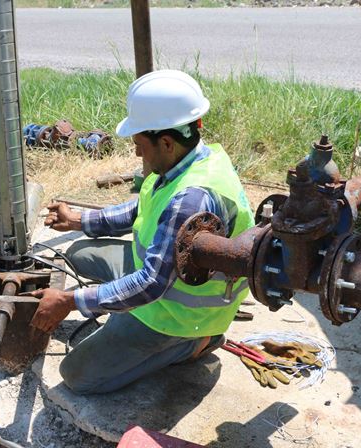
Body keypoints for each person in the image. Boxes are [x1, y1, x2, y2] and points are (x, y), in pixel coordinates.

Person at [29, 70, 254, 394]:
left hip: (177, 312)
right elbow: (145, 208)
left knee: (77, 376)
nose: (136, 153)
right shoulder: (194, 159)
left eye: (138, 145)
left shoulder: (190, 199)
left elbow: (150, 285)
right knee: (78, 253)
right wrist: (79, 220)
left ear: (165, 141)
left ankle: (192, 345)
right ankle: (124, 315)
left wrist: (69, 301)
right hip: (158, 273)